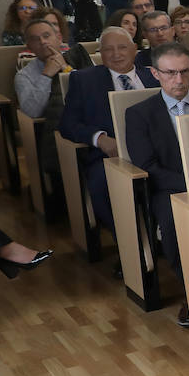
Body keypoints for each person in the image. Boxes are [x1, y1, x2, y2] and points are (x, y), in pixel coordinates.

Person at [124, 42, 189, 327]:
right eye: (170, 73)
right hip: (169, 188)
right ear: (155, 73)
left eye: (184, 72)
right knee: (171, 223)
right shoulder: (139, 113)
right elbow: (147, 165)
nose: (178, 80)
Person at [58, 27, 159, 232]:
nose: (116, 54)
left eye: (122, 47)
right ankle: (129, 245)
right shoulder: (83, 80)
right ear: (100, 53)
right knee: (102, 185)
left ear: (135, 49)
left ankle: (164, 236)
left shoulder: (153, 76)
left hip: (156, 152)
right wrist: (99, 138)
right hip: (111, 157)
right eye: (108, 49)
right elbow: (68, 124)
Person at [13, 18, 71, 192]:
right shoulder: (24, 76)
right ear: (29, 46)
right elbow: (31, 111)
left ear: (58, 38)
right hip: (50, 134)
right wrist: (46, 75)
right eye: (35, 39)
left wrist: (66, 69)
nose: (43, 42)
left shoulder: (77, 60)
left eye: (47, 36)